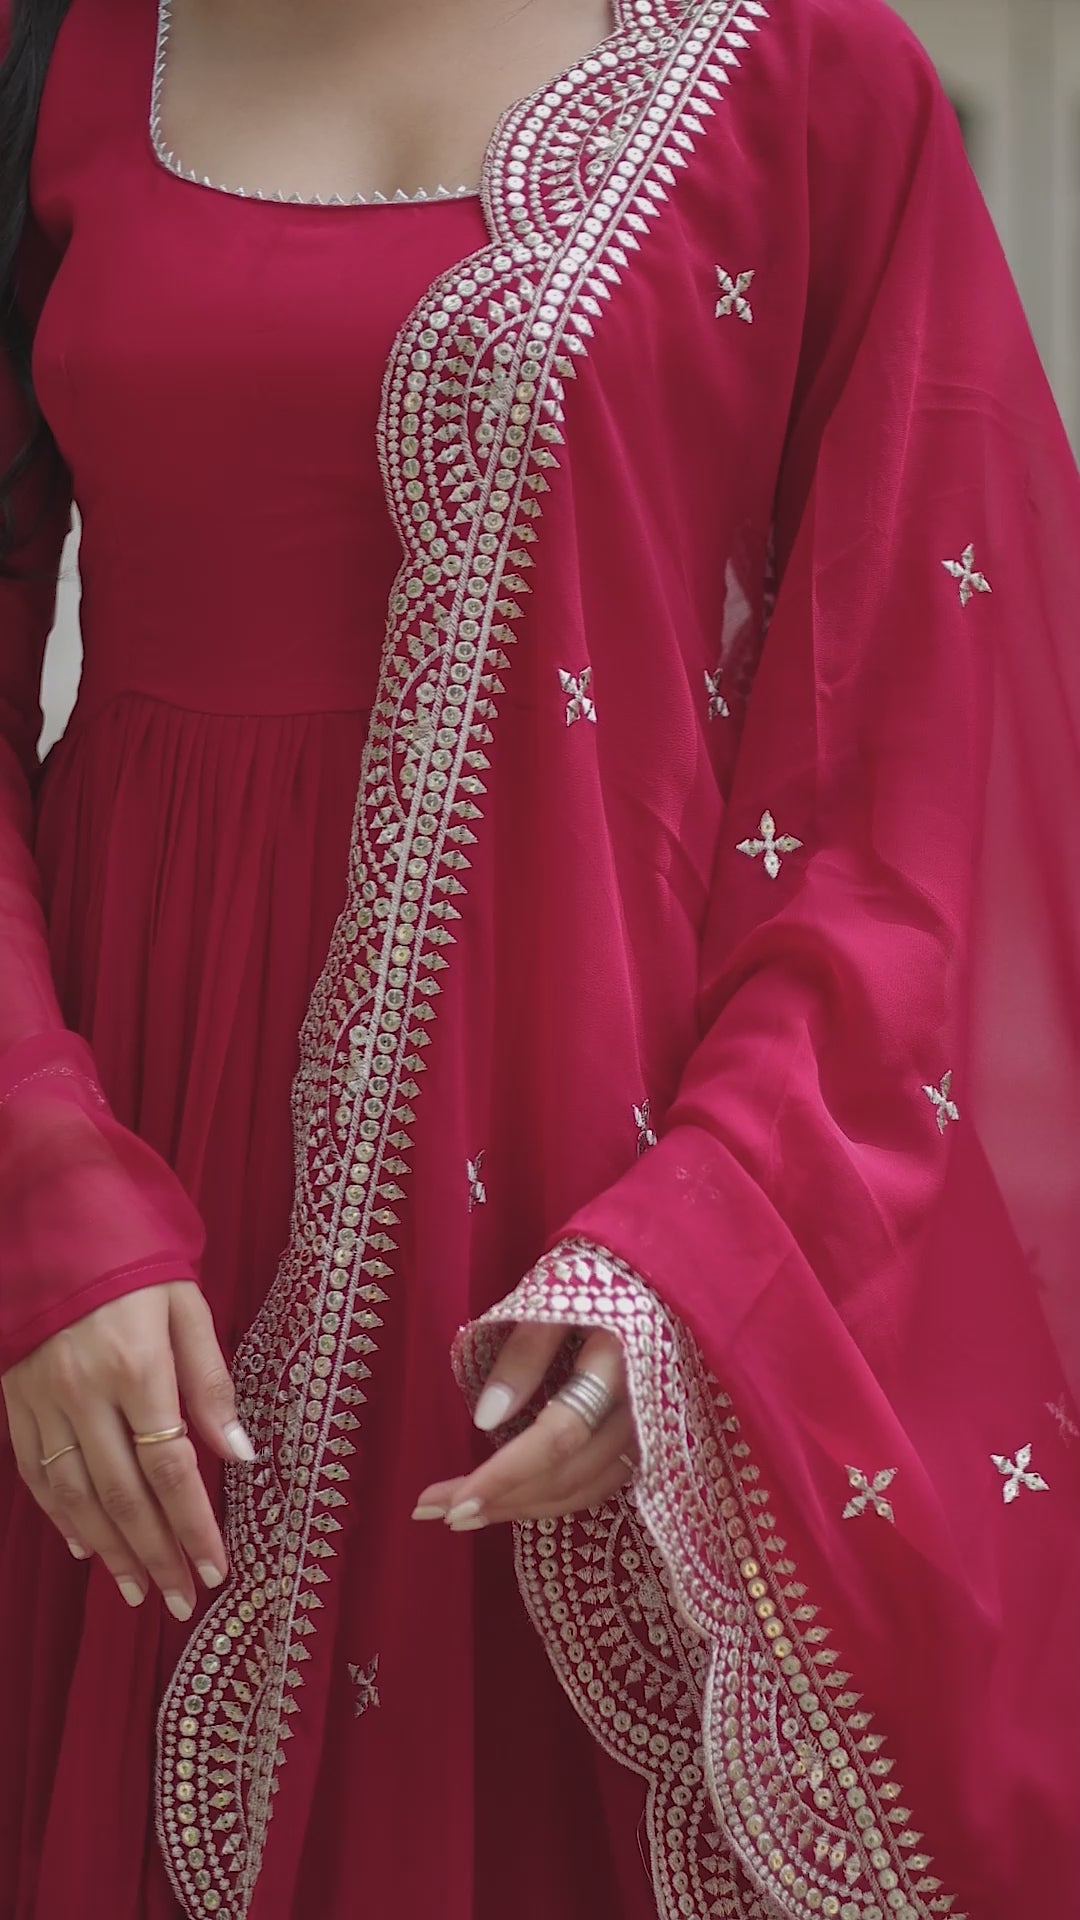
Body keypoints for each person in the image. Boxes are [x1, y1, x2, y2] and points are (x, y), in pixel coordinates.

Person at [1, 0, 1077, 1913]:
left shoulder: (806, 80)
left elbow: (918, 732)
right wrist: (37, 1190)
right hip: (109, 1223)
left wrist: (707, 1246)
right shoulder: (48, 52)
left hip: (571, 1221)